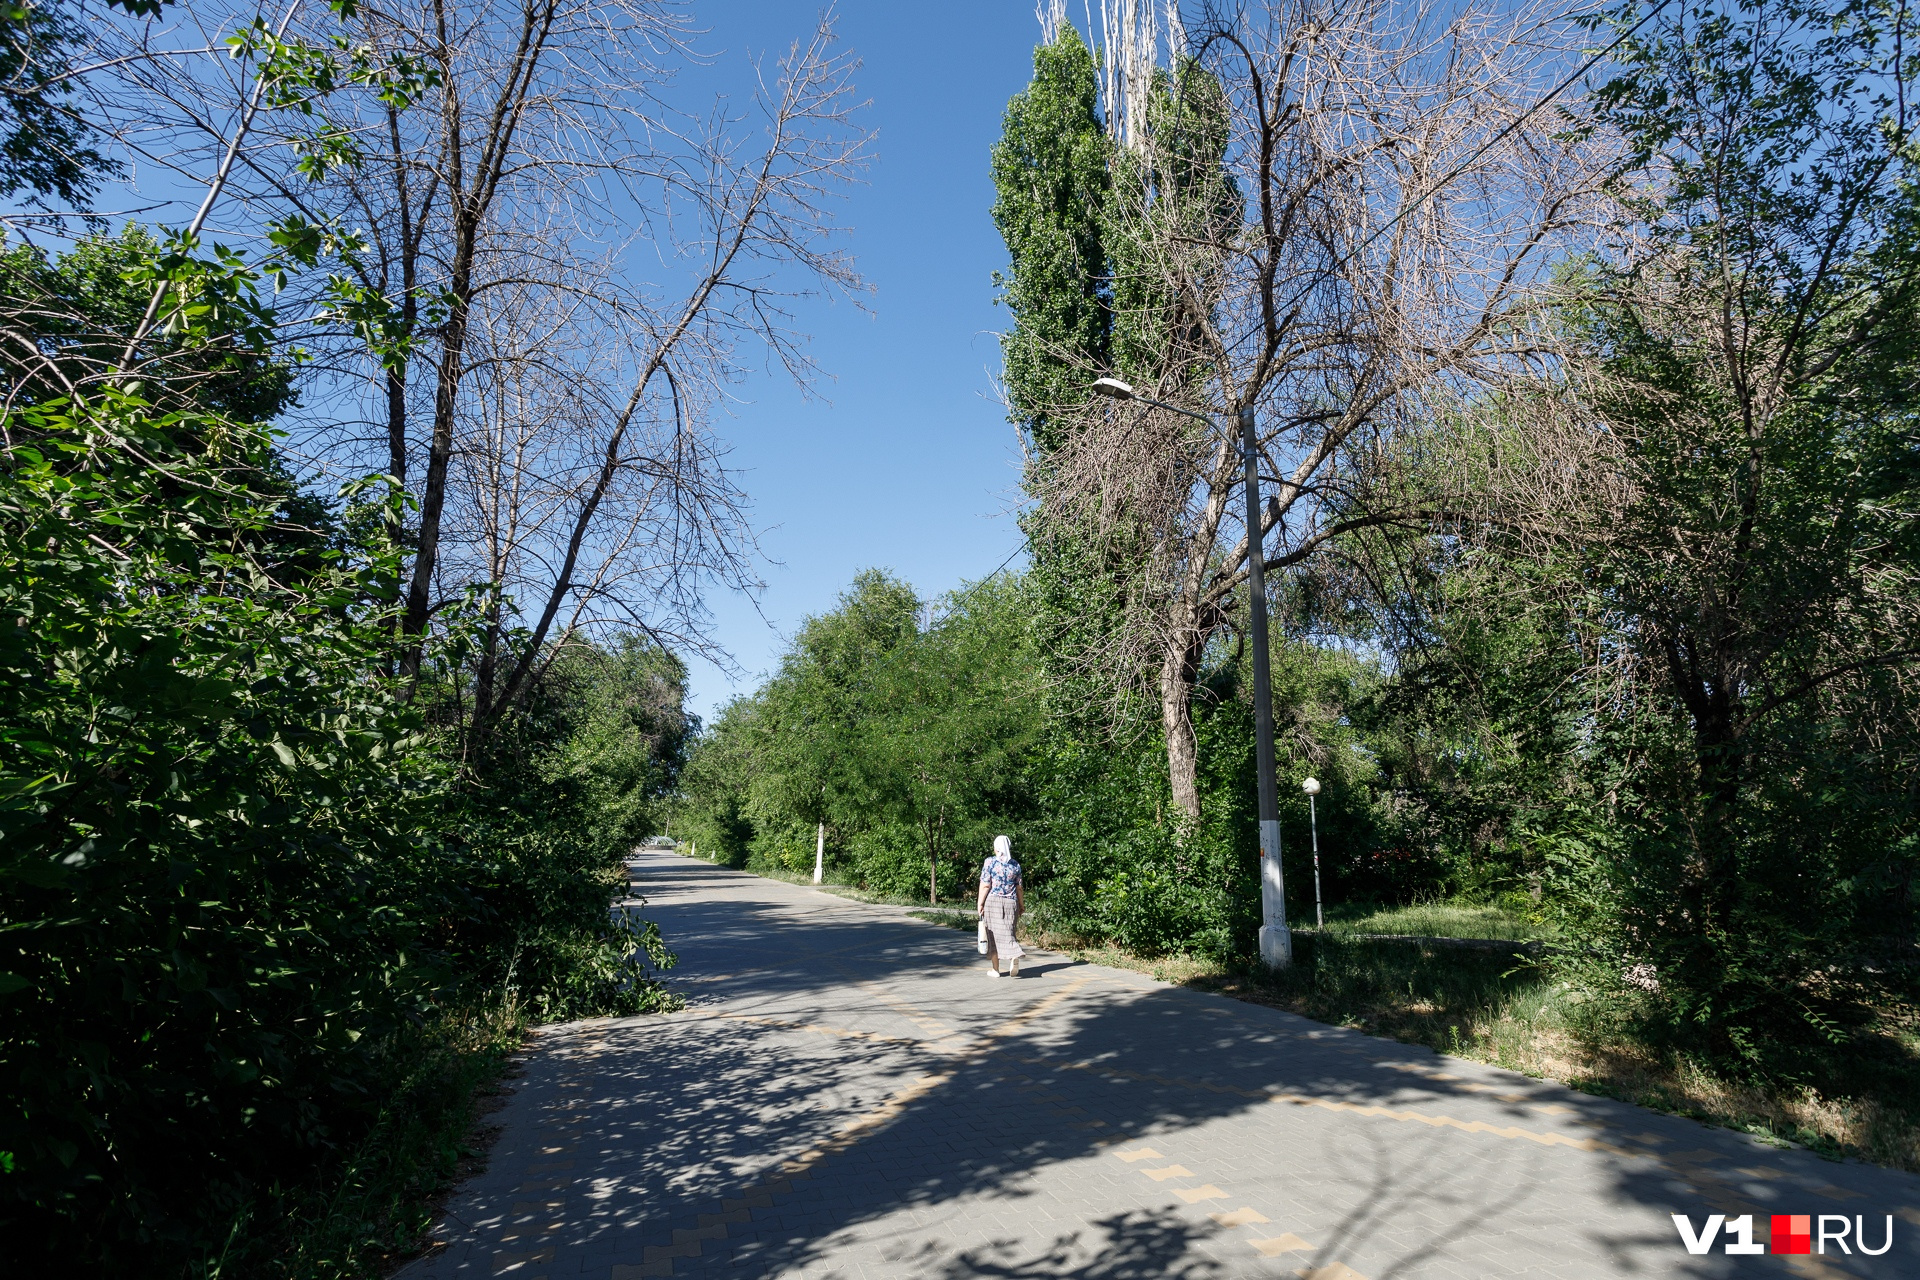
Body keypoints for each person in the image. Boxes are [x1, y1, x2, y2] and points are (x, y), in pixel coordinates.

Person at [977, 834, 1025, 978]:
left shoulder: (990, 862)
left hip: (993, 902)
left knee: (993, 934)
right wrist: (1021, 905)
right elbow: (1019, 888)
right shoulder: (1015, 865)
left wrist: (980, 903)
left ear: (996, 847)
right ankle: (1013, 958)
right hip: (1011, 903)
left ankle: (995, 970)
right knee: (1009, 933)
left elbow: (985, 885)